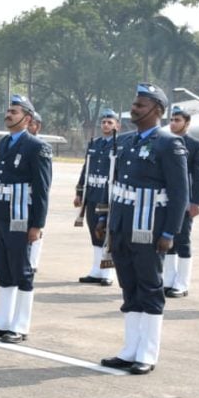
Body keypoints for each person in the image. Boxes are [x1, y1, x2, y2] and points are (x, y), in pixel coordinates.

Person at [100, 83, 189, 375]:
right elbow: (117, 187)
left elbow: (179, 194)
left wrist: (169, 234)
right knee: (130, 288)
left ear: (157, 110)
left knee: (150, 288)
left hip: (149, 229)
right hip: (124, 227)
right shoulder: (126, 141)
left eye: (141, 104)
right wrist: (107, 222)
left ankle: (147, 353)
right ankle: (130, 350)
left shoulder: (169, 143)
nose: (134, 108)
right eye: (135, 103)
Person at [0, 95, 53, 344]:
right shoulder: (3, 143)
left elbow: (42, 189)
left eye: (14, 111)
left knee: (22, 270)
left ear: (27, 118)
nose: (8, 114)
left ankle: (20, 325)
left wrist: (37, 225)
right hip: (0, 215)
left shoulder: (37, 147)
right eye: (8, 110)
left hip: (21, 218)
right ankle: (3, 321)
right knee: (2, 269)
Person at [163, 105, 199, 298]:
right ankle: (168, 280)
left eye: (177, 120)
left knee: (182, 240)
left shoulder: (196, 145)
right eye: (171, 120)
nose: (173, 123)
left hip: (185, 201)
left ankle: (182, 283)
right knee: (167, 239)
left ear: (187, 123)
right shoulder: (164, 142)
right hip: (165, 199)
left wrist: (196, 202)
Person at [74, 109, 119, 286]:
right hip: (92, 193)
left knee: (105, 232)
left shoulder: (119, 144)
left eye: (110, 122)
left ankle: (107, 272)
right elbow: (86, 168)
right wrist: (79, 192)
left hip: (106, 195)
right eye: (104, 122)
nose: (106, 125)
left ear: (117, 125)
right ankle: (96, 270)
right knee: (94, 232)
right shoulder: (94, 143)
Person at [26, 111, 45, 271]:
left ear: (37, 126)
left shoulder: (41, 147)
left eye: (31, 124)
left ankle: (33, 261)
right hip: (20, 196)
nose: (27, 127)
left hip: (34, 195)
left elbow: (44, 180)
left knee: (36, 227)